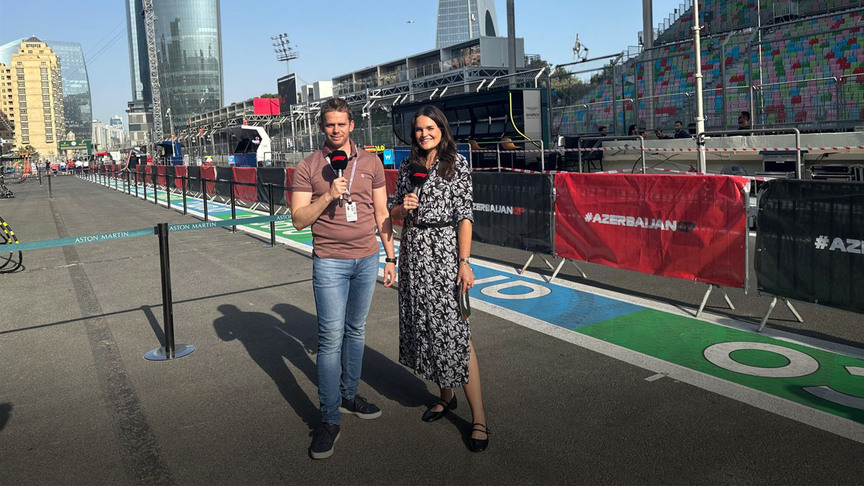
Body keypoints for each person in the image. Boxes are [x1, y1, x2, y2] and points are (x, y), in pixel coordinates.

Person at [291, 98, 397, 460]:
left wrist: (390, 257)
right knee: (330, 338)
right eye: (329, 124)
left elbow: (381, 212)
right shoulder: (308, 166)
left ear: (352, 125)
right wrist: (328, 196)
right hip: (329, 263)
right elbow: (299, 220)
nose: (335, 130)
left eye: (341, 124)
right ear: (321, 127)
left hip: (367, 259)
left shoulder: (371, 162)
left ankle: (349, 395)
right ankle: (329, 418)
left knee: (356, 330)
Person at [389, 105, 490, 453]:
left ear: (442, 129)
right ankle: (446, 396)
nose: (424, 134)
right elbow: (392, 210)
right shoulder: (408, 165)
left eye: (430, 128)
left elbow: (465, 216)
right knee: (427, 327)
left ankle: (479, 418)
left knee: (457, 332)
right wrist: (403, 208)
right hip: (413, 250)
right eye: (418, 129)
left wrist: (464, 262)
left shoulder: (457, 163)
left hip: (445, 252)